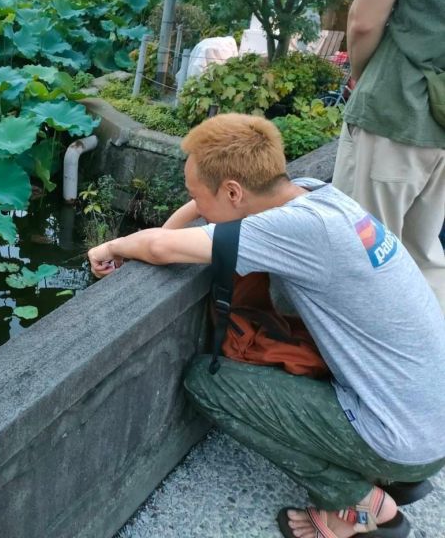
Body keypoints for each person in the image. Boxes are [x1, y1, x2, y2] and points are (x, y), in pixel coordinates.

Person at [88, 113, 445, 538]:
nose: (196, 206)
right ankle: (390, 474)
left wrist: (110, 246)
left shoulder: (292, 231)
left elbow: (162, 247)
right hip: (428, 420)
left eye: (197, 195)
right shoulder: (317, 196)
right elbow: (199, 219)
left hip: (401, 439)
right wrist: (196, 202)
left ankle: (358, 505)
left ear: (234, 191)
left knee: (207, 383)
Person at [332, 0, 445, 312]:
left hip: (396, 106)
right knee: (423, 257)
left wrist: (362, 78)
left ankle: (367, 373)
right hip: (439, 124)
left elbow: (364, 19)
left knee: (361, 255)